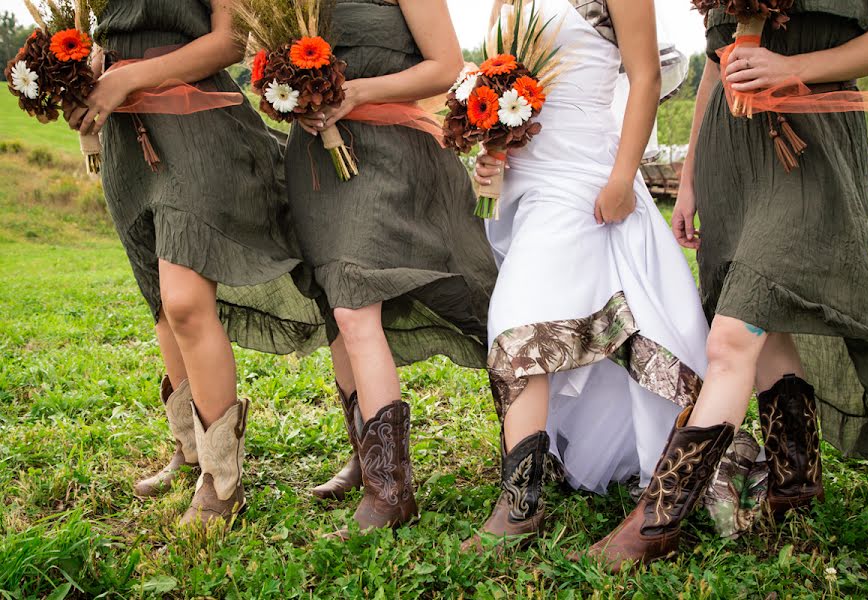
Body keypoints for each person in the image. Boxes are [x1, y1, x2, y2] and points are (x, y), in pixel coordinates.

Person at [591, 0, 868, 571]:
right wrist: (688, 184)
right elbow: (715, 66)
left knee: (732, 336)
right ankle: (796, 483)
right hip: (732, 158)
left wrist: (793, 67)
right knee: (763, 317)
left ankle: (658, 520)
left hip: (811, 146)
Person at [65, 0, 323, 530]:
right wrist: (85, 78)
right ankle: (189, 446)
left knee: (184, 302)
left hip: (197, 128)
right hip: (127, 136)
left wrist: (129, 77)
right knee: (160, 299)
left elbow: (231, 41)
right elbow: (106, 32)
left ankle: (222, 481)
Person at [464, 0, 711, 551]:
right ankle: (530, 479)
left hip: (585, 177)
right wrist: (493, 151)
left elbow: (645, 77)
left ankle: (518, 507)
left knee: (518, 316)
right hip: (525, 181)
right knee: (528, 312)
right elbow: (513, 88)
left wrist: (623, 178)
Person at [285, 0, 498, 536]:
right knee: (338, 303)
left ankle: (392, 492)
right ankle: (370, 457)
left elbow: (446, 66)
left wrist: (355, 92)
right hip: (314, 157)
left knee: (358, 304)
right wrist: (291, 99)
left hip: (391, 151)